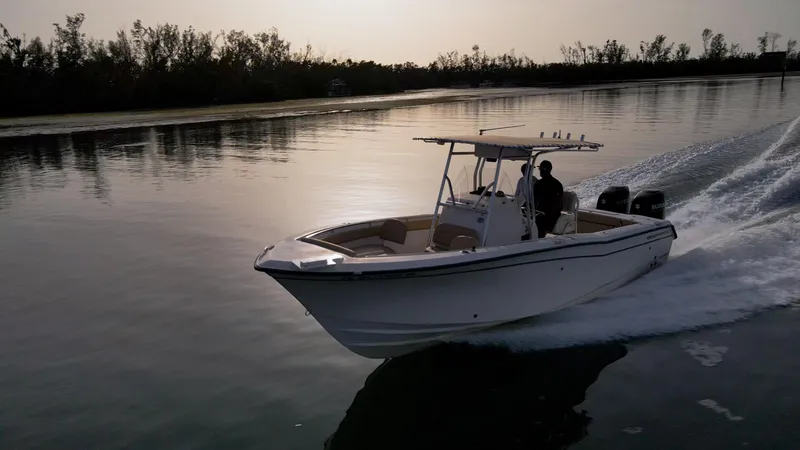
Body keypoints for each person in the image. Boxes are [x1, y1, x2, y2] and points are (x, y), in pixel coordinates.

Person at [533, 160, 563, 238]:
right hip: (547, 215)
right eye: (540, 168)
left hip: (545, 217)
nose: (540, 171)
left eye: (541, 168)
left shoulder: (539, 184)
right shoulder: (558, 184)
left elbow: (534, 201)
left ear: (548, 169)